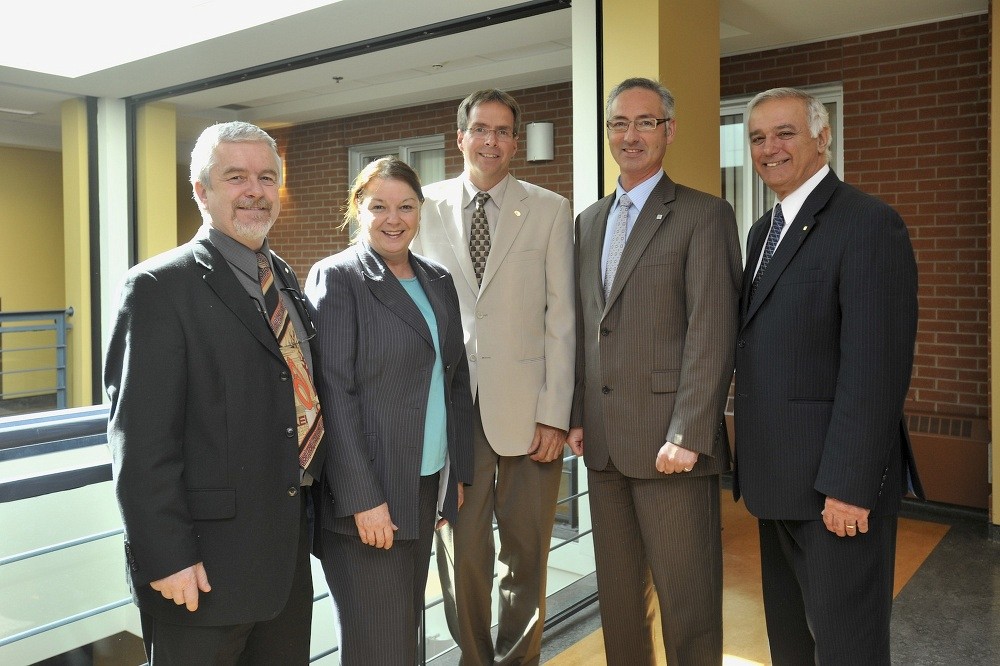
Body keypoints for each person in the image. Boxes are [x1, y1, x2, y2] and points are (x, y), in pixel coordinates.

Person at [105, 121, 325, 665]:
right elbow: (140, 442)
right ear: (201, 191)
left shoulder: (282, 278)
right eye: (236, 177)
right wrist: (167, 557)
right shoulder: (158, 288)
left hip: (284, 563)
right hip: (199, 572)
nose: (255, 190)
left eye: (267, 177)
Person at [733, 87, 923, 665]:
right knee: (792, 644)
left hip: (834, 492)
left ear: (823, 136)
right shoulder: (763, 232)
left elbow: (875, 368)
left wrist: (849, 484)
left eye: (785, 133)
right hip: (777, 484)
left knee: (849, 648)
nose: (770, 149)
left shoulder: (868, 224)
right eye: (758, 138)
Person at [567, 77, 741, 666]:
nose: (630, 134)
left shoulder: (703, 214)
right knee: (617, 600)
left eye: (645, 122)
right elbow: (586, 327)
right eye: (619, 123)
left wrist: (690, 431)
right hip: (605, 444)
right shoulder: (588, 222)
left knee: (686, 600)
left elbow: (712, 330)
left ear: (668, 131)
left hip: (672, 445)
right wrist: (576, 416)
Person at [410, 88, 575, 666]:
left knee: (527, 554)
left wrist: (556, 413)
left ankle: (518, 660)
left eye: (504, 131)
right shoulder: (420, 208)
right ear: (459, 138)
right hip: (452, 414)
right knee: (462, 557)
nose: (491, 141)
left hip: (531, 414)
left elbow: (564, 318)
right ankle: (474, 659)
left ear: (516, 142)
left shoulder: (551, 210)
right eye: (480, 129)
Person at [304, 156, 474, 666]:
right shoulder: (338, 278)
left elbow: (454, 377)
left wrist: (456, 471)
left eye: (405, 206)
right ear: (358, 209)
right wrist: (362, 499)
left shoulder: (436, 279)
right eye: (379, 206)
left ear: (420, 212)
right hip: (370, 496)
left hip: (424, 483)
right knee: (376, 642)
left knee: (404, 632)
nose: (393, 218)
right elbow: (333, 393)